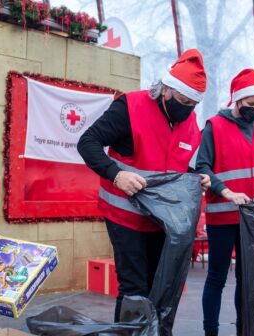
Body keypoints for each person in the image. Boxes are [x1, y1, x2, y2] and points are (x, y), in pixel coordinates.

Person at [77, 49, 211, 322]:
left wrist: (195, 177)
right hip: (124, 214)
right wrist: (116, 175)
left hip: (161, 220)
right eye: (183, 101)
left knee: (156, 286)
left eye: (193, 104)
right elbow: (87, 142)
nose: (187, 109)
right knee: (134, 288)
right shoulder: (129, 107)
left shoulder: (189, 122)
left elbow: (174, 166)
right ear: (166, 91)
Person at [195, 68, 254, 336]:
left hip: (252, 220)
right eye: (251, 104)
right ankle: (210, 331)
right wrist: (226, 192)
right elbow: (202, 167)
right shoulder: (215, 126)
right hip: (222, 218)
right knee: (216, 278)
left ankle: (244, 329)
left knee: (247, 282)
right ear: (237, 99)